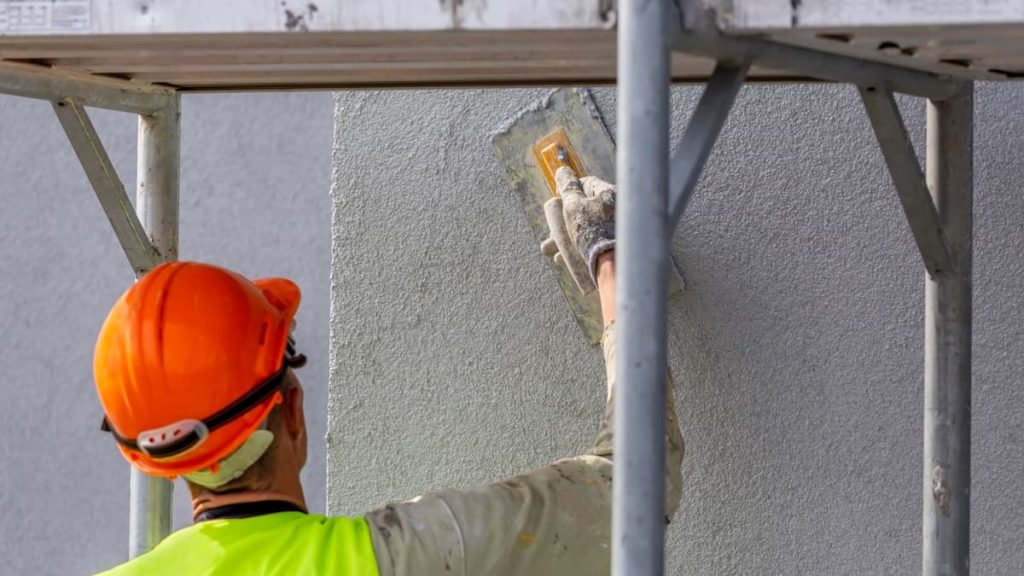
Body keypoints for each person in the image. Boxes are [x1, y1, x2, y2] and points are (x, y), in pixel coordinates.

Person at [94, 168, 684, 575]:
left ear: (153, 459)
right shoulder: (404, 557)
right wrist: (609, 260)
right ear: (292, 409)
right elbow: (630, 490)